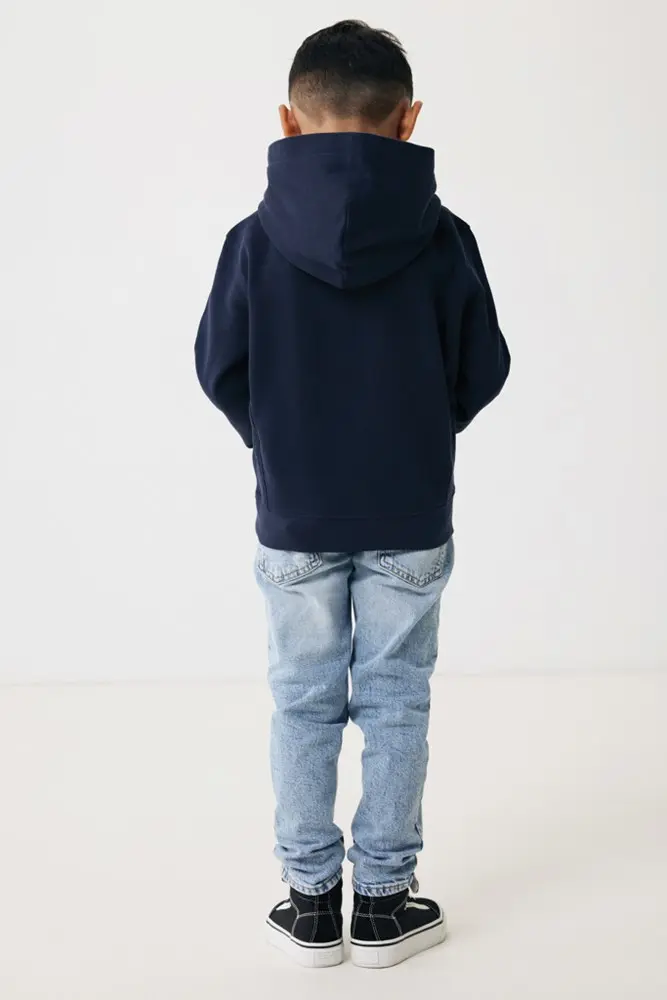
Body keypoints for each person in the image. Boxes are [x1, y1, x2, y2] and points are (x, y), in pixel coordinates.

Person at [195, 19, 510, 969]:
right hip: (409, 509)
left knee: (301, 701)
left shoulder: (252, 241)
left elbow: (218, 366)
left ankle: (308, 904)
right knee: (396, 699)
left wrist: (277, 441)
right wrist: (420, 431)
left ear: (288, 121)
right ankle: (382, 905)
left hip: (295, 512)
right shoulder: (443, 238)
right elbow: (483, 366)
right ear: (408, 120)